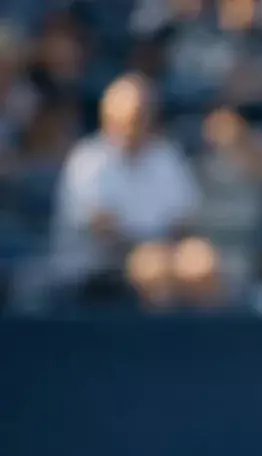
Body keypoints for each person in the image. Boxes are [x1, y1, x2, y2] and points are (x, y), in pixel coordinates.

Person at [51, 73, 202, 301]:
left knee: (201, 263)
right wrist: (149, 251)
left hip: (162, 255)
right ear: (108, 118)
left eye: (143, 116)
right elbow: (103, 229)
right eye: (131, 118)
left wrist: (163, 251)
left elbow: (185, 220)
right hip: (97, 265)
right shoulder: (88, 159)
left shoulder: (166, 156)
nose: (136, 126)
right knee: (154, 269)